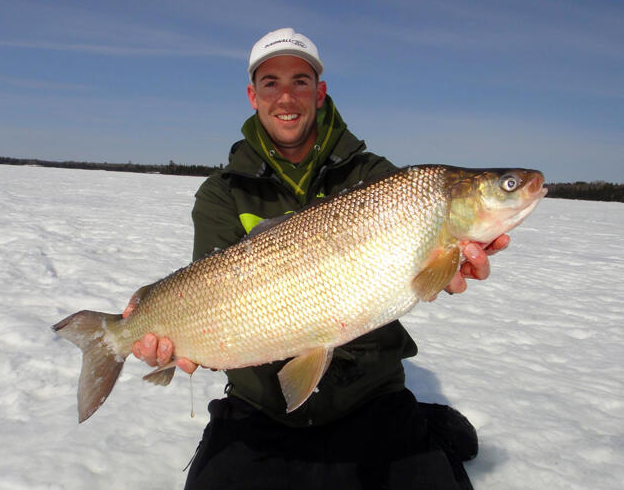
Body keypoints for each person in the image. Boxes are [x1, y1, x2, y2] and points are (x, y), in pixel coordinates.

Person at [133, 28, 509, 489]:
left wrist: (450, 268)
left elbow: (417, 277)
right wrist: (180, 342)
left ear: (320, 91)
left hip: (371, 395)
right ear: (253, 95)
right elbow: (212, 297)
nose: (286, 96)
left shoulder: (379, 180)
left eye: (300, 80)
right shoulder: (221, 194)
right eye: (271, 82)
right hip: (259, 404)